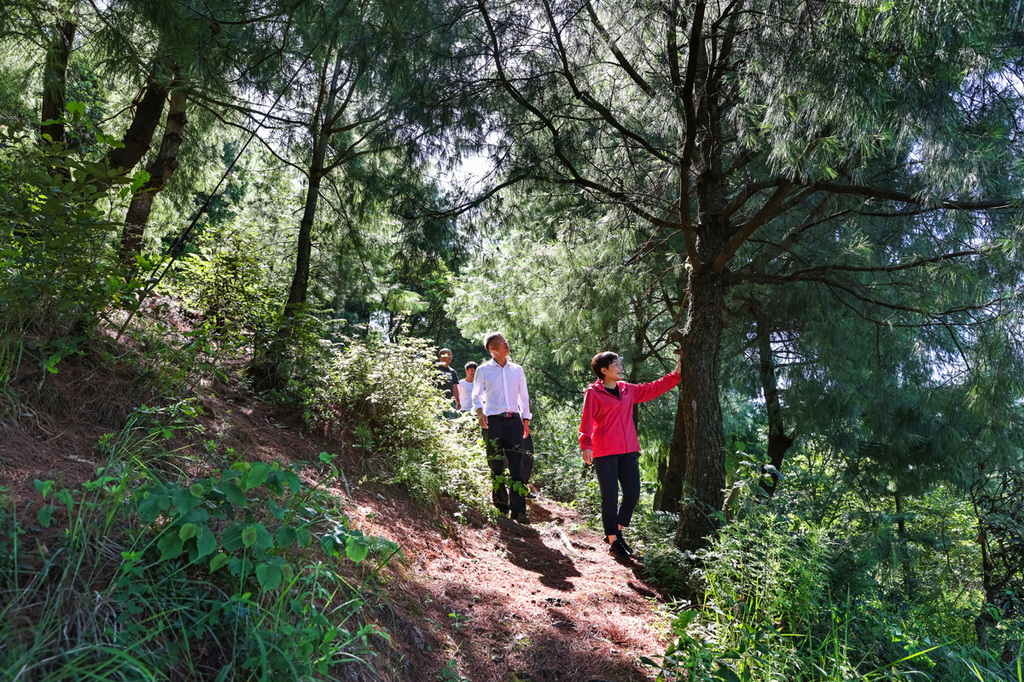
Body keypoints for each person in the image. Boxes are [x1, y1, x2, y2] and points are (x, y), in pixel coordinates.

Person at [579, 351, 681, 559]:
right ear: (604, 370)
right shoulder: (593, 392)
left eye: (620, 364)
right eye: (615, 365)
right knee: (610, 496)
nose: (621, 368)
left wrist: (676, 374)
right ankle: (613, 540)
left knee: (633, 492)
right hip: (605, 451)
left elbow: (653, 388)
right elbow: (587, 420)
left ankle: (616, 530)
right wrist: (585, 445)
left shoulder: (628, 390)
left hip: (628, 450)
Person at [471, 332, 532, 523]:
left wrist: (526, 419)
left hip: (514, 420)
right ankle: (501, 509)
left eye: (506, 341)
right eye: (501, 342)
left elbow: (524, 396)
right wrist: (480, 413)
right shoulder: (483, 370)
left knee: (517, 466)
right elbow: (476, 395)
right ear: (492, 349)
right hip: (493, 422)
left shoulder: (517, 369)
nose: (506, 344)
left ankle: (519, 511)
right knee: (496, 464)